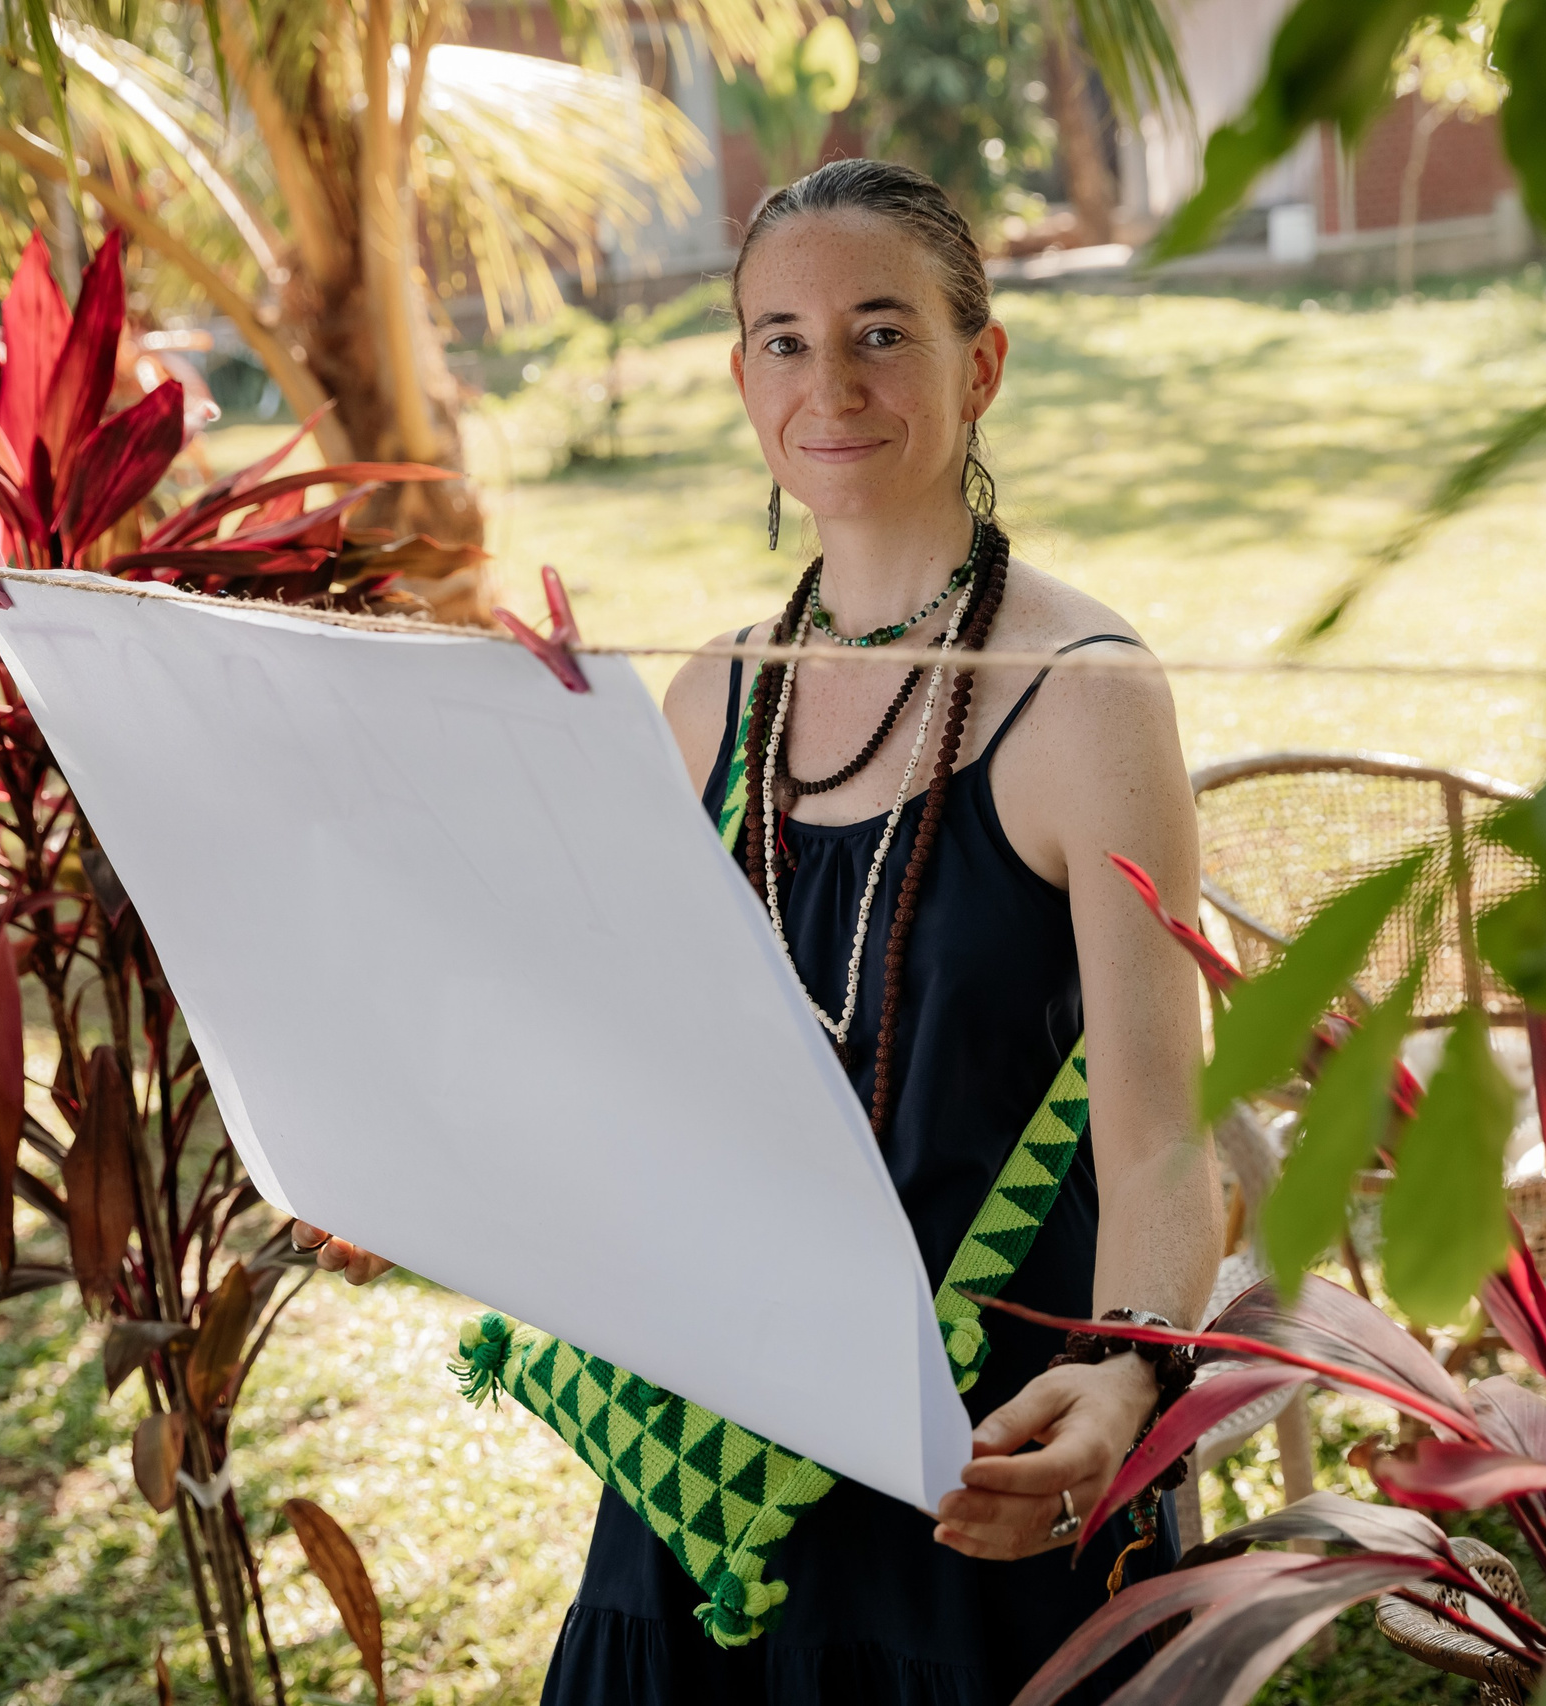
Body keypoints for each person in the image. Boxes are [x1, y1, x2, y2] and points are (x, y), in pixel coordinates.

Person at [297, 157, 1217, 1704]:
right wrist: (429, 1183)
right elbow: (651, 1087)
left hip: (993, 1441)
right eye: (782, 340)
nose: (829, 381)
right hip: (723, 1441)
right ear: (741, 378)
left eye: (881, 331)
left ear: (979, 363)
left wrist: (1131, 1368)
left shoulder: (1087, 695)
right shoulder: (711, 696)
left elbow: (1164, 1132)